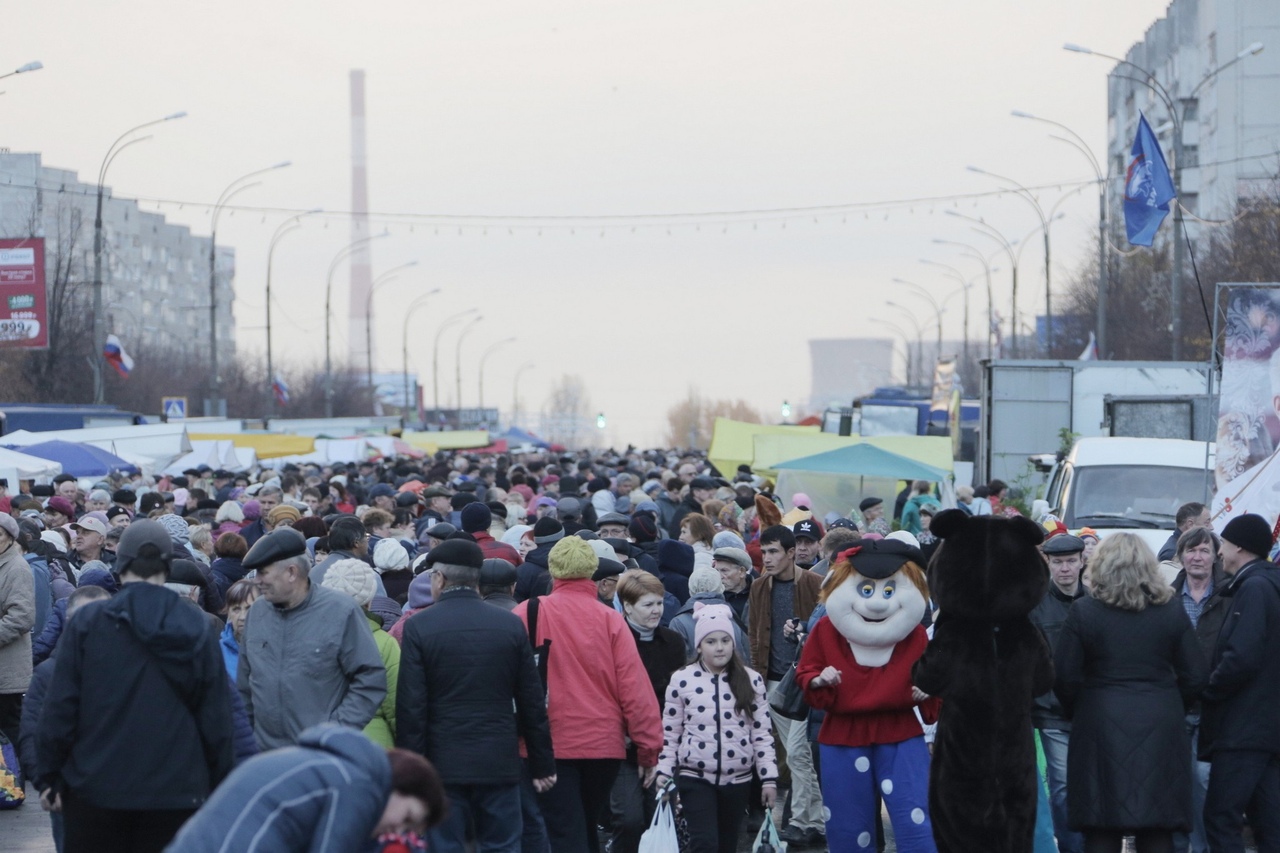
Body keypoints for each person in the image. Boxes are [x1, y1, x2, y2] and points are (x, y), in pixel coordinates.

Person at [36, 519, 234, 853]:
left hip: (95, 787)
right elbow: (215, 715)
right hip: (177, 790)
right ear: (167, 565)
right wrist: (218, 785)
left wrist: (49, 775)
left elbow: (61, 706)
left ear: (121, 562)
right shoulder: (196, 624)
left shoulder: (89, 621)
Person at [396, 538, 555, 853]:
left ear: (439, 579)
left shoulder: (419, 626)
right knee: (503, 845)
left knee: (444, 846)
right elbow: (531, 700)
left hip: (442, 764)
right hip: (498, 759)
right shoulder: (509, 625)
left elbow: (411, 707)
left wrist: (410, 775)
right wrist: (542, 763)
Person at [1053, 533, 1207, 853]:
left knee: (1101, 824)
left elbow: (1064, 676)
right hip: (1161, 720)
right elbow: (1195, 674)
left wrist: (1079, 710)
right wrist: (1173, 705)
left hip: (1099, 720)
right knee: (1157, 825)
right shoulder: (1170, 610)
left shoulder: (1084, 611)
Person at [512, 535, 663, 853]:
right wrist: (648, 747)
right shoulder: (609, 618)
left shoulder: (528, 613)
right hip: (603, 745)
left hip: (546, 742)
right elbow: (634, 687)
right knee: (584, 826)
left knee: (565, 831)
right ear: (592, 570)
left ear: (553, 571)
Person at [163, 724, 448, 852]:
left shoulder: (331, 767)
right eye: (408, 819)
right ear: (397, 786)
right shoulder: (359, 785)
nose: (398, 832)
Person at [237, 528, 386, 750]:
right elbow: (245, 684)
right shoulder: (258, 612)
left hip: (322, 756)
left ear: (291, 572)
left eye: (263, 572)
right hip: (266, 757)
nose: (256, 581)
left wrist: (335, 731)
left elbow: (370, 678)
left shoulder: (341, 611)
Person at [656, 604, 778, 853]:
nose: (720, 647)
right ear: (699, 645)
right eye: (711, 641)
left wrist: (769, 779)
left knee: (726, 844)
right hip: (695, 776)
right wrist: (664, 772)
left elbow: (762, 734)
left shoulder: (751, 680)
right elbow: (670, 733)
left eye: (725, 640)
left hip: (738, 779)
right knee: (704, 844)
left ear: (733, 643)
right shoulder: (682, 679)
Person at [1200, 513, 1280, 852]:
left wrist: (1209, 690)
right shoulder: (1267, 584)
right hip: (1266, 726)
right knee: (1268, 822)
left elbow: (1241, 658)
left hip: (1243, 727)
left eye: (1225, 544)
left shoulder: (1255, 588)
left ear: (1241, 547)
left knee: (1221, 818)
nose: (1219, 553)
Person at [747, 524, 824, 846]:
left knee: (796, 753)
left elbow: (825, 629)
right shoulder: (759, 586)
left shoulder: (814, 584)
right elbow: (755, 635)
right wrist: (756, 681)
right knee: (796, 756)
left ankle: (806, 822)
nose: (767, 558)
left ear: (791, 553)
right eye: (764, 552)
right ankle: (812, 823)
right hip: (772, 683)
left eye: (774, 551)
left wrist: (803, 634)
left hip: (805, 682)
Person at [19, 585, 110, 853]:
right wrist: (45, 783)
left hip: (118, 789)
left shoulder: (126, 668)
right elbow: (31, 729)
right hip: (68, 792)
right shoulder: (49, 673)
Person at [609, 569, 686, 853]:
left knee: (659, 816)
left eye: (659, 603)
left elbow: (677, 698)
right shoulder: (613, 639)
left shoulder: (673, 642)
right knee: (628, 818)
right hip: (624, 745)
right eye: (648, 605)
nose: (656, 611)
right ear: (627, 607)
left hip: (663, 745)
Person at [1168, 527, 1228, 853]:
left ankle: (1203, 847)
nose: (1197, 557)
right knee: (1178, 783)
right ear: (1181, 556)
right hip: (1176, 706)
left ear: (1215, 555)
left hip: (1214, 705)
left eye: (1204, 550)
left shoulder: (1229, 595)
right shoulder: (1166, 598)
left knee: (1205, 781)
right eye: (1191, 551)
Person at [1029, 534, 1089, 853]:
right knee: (1063, 786)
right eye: (1058, 562)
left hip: (1092, 711)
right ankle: (1071, 847)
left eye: (1070, 561)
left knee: (1091, 786)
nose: (1065, 568)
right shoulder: (1036, 608)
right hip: (1052, 712)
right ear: (1048, 564)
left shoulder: (1095, 602)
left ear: (1082, 561)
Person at [322, 558, 400, 750]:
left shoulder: (310, 638)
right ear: (369, 599)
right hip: (374, 746)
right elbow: (396, 706)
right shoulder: (385, 642)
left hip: (322, 741)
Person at [0, 513, 34, 748]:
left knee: (9, 733)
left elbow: (22, 617)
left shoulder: (17, 568)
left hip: (7, 671)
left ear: (10, 538)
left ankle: (15, 784)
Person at [668, 567, 748, 662]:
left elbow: (677, 663)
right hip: (733, 675)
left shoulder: (678, 622)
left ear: (690, 590)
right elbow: (745, 658)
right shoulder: (731, 616)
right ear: (720, 588)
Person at [219, 578, 258, 681]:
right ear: (228, 613)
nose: (242, 617)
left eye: (249, 608)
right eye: (236, 609)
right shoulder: (216, 653)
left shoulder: (276, 649)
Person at [712, 546, 752, 621]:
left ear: (742, 571)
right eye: (716, 570)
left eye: (724, 571)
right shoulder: (712, 597)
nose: (719, 576)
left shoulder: (760, 593)